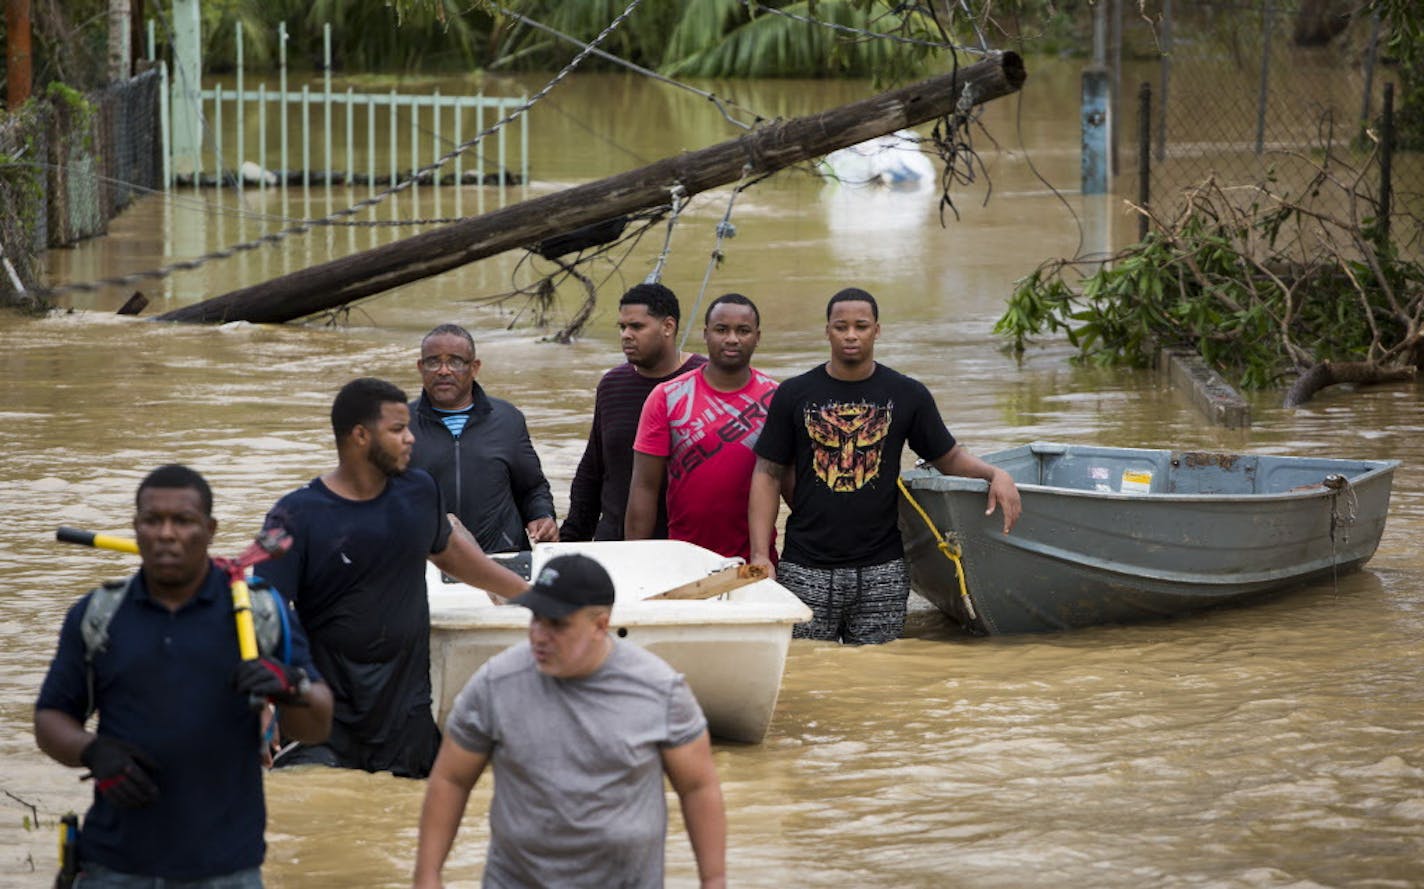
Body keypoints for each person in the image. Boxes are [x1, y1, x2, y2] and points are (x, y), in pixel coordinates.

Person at [35, 465, 334, 887]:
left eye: (183, 521)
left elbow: (317, 724)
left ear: (210, 529)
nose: (167, 533)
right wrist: (92, 751)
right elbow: (50, 718)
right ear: (135, 529)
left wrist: (290, 687)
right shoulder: (98, 615)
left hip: (226, 868)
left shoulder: (258, 613)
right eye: (152, 520)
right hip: (114, 864)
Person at [258, 378, 528, 779]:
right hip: (329, 714)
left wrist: (525, 594)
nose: (410, 439)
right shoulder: (295, 515)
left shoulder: (418, 491)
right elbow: (264, 610)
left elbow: (448, 551)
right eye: (398, 429)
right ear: (361, 436)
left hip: (406, 713)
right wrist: (263, 701)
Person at [411, 553, 727, 889]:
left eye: (557, 624)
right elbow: (451, 780)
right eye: (536, 618)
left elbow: (698, 787)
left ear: (600, 625)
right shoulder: (495, 683)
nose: (539, 635)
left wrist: (714, 879)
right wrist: (427, 875)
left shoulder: (659, 690)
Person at [749, 287, 1022, 645]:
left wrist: (995, 474)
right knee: (807, 671)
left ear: (876, 330)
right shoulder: (794, 394)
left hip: (882, 569)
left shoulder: (907, 394)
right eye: (840, 326)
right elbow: (767, 474)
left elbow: (948, 457)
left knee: (878, 675)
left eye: (860, 326)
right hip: (806, 566)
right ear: (827, 331)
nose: (850, 335)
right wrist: (759, 554)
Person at [627, 293, 780, 563]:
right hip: (685, 558)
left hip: (756, 561)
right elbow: (644, 487)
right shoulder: (667, 396)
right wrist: (636, 560)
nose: (732, 339)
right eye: (722, 330)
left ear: (757, 337)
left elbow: (789, 483)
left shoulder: (776, 398)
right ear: (706, 334)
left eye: (743, 331)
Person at [559, 283, 707, 542]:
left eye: (636, 327)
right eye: (622, 327)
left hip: (687, 545)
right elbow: (593, 470)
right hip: (617, 541)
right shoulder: (612, 385)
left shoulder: (705, 380)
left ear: (668, 327)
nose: (626, 335)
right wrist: (570, 540)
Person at [409, 323, 558, 553]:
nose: (443, 370)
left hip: (502, 559)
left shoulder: (507, 420)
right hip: (427, 564)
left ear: (475, 367)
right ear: (421, 367)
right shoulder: (400, 424)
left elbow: (532, 487)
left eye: (456, 362)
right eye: (433, 362)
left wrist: (542, 516)